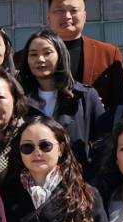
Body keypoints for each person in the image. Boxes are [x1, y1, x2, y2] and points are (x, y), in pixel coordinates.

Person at [18, 31, 104, 167]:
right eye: (33, 54)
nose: (40, 59)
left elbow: (103, 141)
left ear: (60, 55)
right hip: (32, 177)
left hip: (78, 176)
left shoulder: (85, 96)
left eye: (47, 53)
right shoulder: (20, 99)